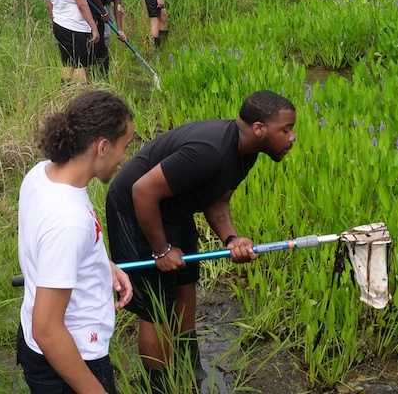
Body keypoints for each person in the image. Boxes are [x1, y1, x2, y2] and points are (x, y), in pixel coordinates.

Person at [105, 90, 297, 391]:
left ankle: (189, 369)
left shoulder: (246, 153)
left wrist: (231, 239)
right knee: (156, 305)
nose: (292, 137)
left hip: (172, 206)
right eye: (286, 130)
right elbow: (142, 191)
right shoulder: (211, 152)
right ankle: (159, 385)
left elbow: (218, 202)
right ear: (259, 129)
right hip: (135, 206)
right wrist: (161, 249)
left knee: (185, 283)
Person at [17, 90, 135, 394]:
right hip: (70, 357)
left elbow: (52, 250)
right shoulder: (68, 221)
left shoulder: (41, 174)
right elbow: (47, 328)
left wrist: (100, 264)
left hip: (47, 346)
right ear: (103, 147)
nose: (125, 157)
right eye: (125, 147)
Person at [87, 0, 139, 73]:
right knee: (95, 43)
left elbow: (118, 5)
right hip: (90, 11)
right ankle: (91, 73)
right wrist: (103, 12)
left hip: (99, 14)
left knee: (100, 46)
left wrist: (120, 29)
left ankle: (101, 74)